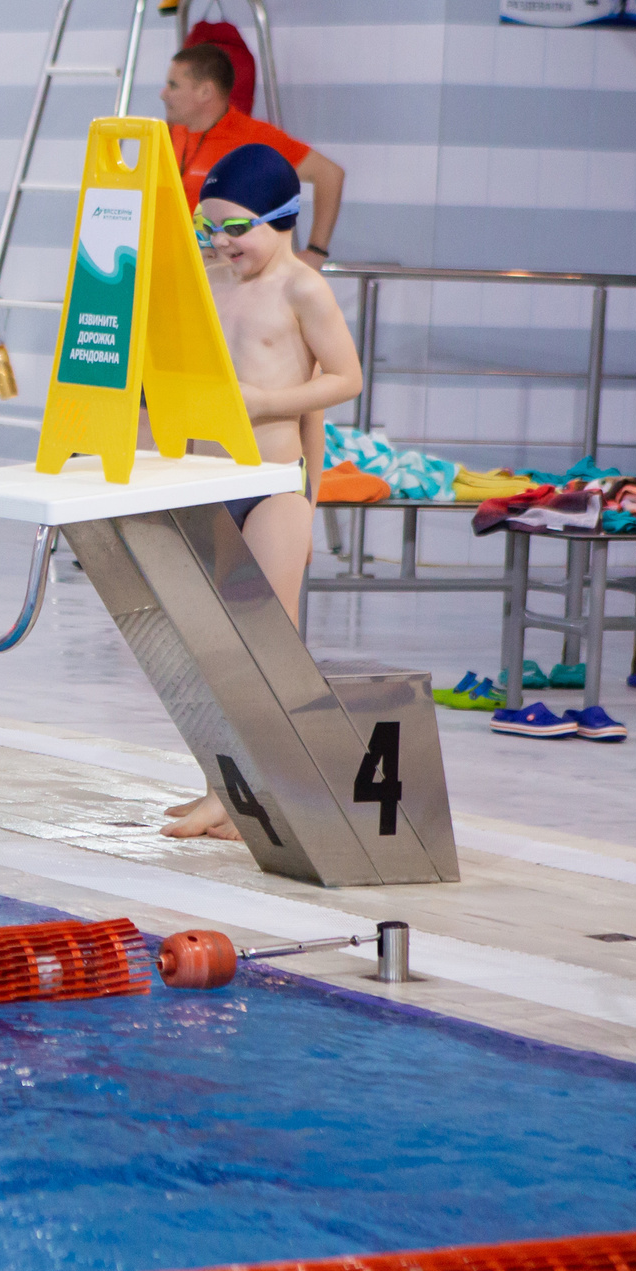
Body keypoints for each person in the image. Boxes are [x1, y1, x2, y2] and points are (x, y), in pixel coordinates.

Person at [162, 143, 363, 843]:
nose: (221, 242)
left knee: (267, 643)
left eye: (235, 229)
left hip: (274, 489)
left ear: (281, 218)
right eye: (207, 227)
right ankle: (225, 789)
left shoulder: (303, 288)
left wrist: (270, 413)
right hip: (210, 483)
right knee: (213, 646)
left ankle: (273, 794)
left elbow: (344, 379)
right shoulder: (211, 278)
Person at [161, 41, 345, 271]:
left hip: (222, 276)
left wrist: (316, 251)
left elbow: (329, 174)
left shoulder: (252, 136)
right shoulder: (166, 133)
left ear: (205, 92)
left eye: (173, 85)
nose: (163, 94)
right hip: (169, 271)